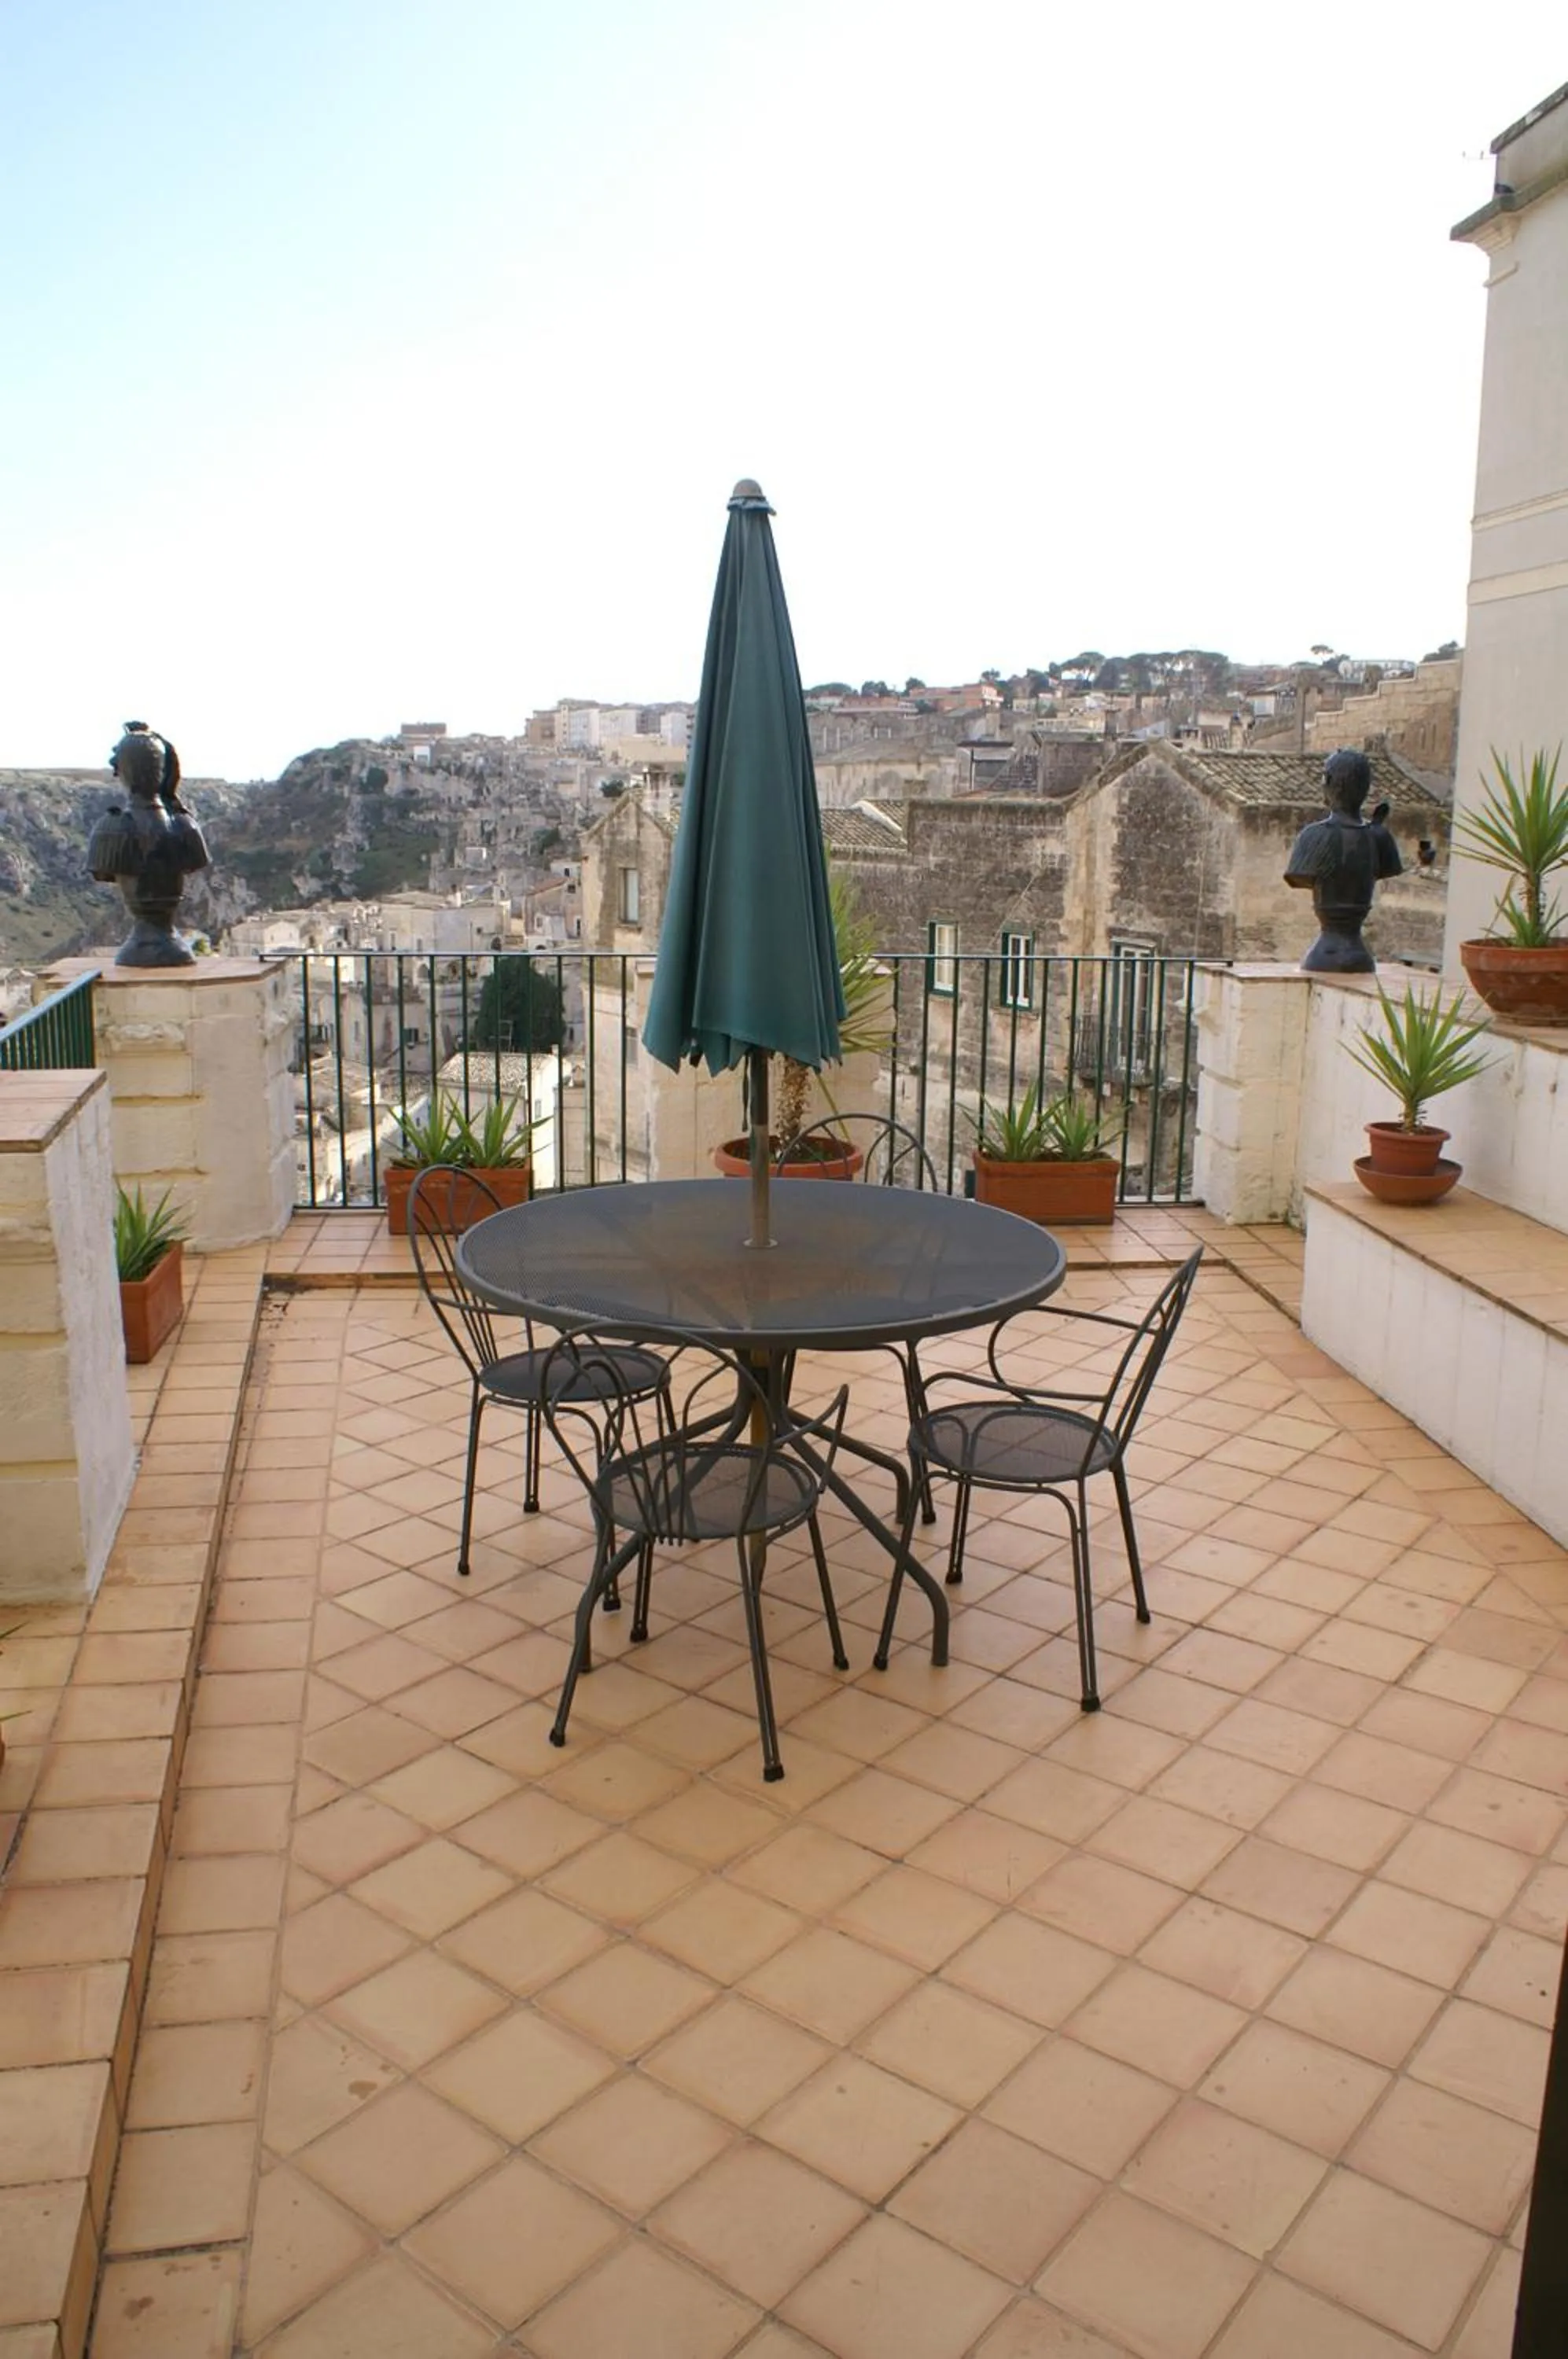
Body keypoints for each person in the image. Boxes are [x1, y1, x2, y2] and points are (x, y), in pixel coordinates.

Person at [86, 723, 210, 966]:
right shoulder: (186, 827)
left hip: (138, 949)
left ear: (125, 772)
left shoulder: (111, 829)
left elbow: (102, 872)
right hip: (171, 947)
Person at [1283, 748, 1401, 973]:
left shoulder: (1314, 837)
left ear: (1329, 783)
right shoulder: (1380, 837)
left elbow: (1298, 873)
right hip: (1353, 952)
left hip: (1325, 954)